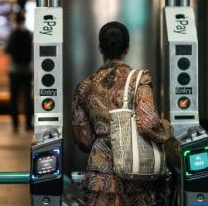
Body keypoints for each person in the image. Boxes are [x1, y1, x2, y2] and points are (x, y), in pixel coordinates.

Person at [72, 21, 172, 206]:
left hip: (100, 181)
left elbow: (83, 140)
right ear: (127, 47)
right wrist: (167, 129)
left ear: (100, 48)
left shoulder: (85, 86)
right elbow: (149, 124)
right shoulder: (138, 80)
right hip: (135, 178)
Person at [5, 11, 33, 132]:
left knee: (14, 98)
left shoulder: (13, 34)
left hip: (15, 70)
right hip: (27, 70)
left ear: (16, 20)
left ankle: (15, 124)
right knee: (28, 98)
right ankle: (28, 124)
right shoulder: (30, 34)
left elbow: (8, 50)